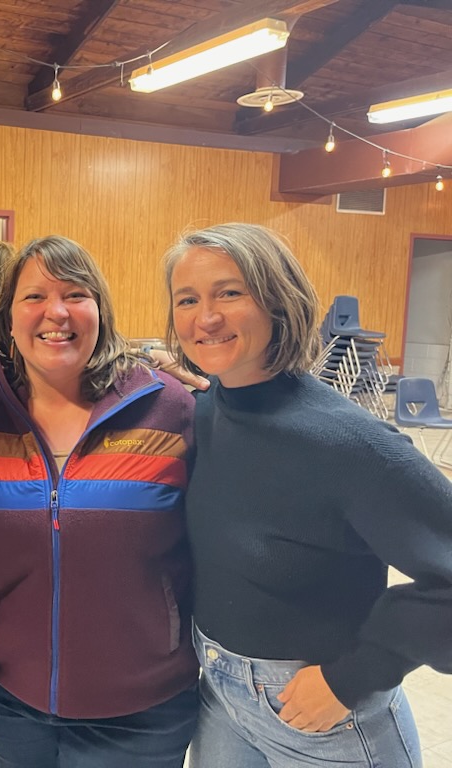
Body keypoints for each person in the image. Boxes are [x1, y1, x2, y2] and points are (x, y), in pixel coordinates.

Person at [164, 223, 452, 767]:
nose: (206, 317)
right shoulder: (206, 411)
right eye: (188, 299)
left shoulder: (350, 444)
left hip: (324, 715)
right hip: (220, 695)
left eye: (231, 292)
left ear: (279, 300)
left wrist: (358, 675)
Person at [0, 235, 200, 767]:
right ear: (7, 317)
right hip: (8, 696)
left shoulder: (168, 408)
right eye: (34, 296)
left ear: (101, 312)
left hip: (142, 707)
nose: (56, 312)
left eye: (76, 294)